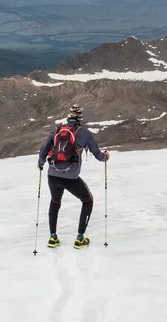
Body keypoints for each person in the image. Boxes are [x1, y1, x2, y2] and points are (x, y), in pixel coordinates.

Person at [38, 104, 110, 249]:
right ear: (80, 118)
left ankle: (53, 238)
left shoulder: (57, 130)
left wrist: (40, 163)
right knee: (87, 201)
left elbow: (44, 149)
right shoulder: (84, 133)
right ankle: (79, 238)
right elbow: (97, 154)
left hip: (52, 175)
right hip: (71, 178)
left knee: (55, 202)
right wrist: (106, 157)